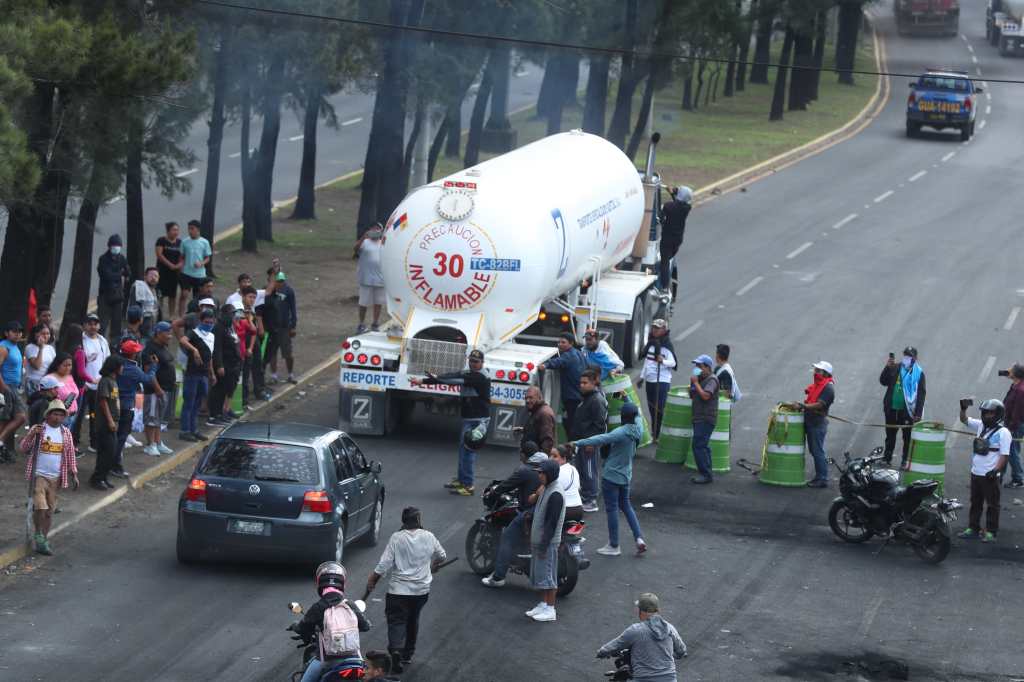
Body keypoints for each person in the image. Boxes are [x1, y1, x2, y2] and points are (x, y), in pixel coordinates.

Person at [365, 507, 447, 673]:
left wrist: (373, 579)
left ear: (403, 521)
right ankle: (407, 654)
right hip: (421, 591)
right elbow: (442, 555)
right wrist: (434, 565)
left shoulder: (397, 538)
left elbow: (384, 563)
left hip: (398, 592)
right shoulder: (429, 536)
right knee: (413, 619)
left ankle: (396, 650)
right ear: (418, 520)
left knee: (396, 621)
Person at [571, 401, 647, 557]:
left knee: (612, 509)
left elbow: (600, 439)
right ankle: (639, 538)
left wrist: (577, 443)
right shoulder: (638, 428)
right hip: (626, 476)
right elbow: (638, 415)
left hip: (611, 476)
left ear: (622, 416)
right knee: (626, 506)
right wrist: (627, 399)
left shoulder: (620, 432)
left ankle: (614, 545)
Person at [412, 349, 491, 496]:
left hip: (477, 420)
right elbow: (455, 375)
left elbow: (455, 380)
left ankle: (468, 486)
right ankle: (462, 480)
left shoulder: (480, 377)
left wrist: (434, 379)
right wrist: (425, 380)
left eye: (476, 361)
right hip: (470, 418)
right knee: (463, 450)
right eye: (471, 360)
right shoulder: (470, 373)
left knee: (468, 451)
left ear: (482, 362)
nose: (473, 364)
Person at [481, 442, 546, 589]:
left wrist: (494, 492)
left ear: (524, 454)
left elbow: (506, 485)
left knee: (507, 537)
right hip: (557, 509)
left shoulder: (525, 470)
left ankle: (498, 577)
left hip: (533, 511)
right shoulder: (549, 466)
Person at [295, 562, 372, 682]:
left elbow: (303, 628)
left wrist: (297, 627)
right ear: (342, 584)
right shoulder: (350, 605)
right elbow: (365, 626)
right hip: (354, 660)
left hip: (327, 661)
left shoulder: (318, 607)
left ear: (320, 583)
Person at [21, 400, 78, 556]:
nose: (57, 417)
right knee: (41, 506)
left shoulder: (65, 432)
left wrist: (74, 473)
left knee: (49, 511)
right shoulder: (39, 429)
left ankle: (43, 539)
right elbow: (24, 448)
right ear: (48, 415)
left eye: (61, 415)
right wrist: (32, 435)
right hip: (38, 475)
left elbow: (70, 454)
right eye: (55, 414)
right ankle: (38, 533)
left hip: (56, 478)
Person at [597, 592, 688, 682]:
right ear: (658, 610)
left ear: (640, 610)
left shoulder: (636, 630)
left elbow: (615, 645)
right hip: (669, 679)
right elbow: (681, 651)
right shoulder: (670, 628)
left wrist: (601, 652)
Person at [957, 399, 1010, 543]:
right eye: (985, 413)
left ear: (998, 414)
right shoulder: (981, 426)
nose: (987, 416)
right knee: (975, 502)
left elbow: (1004, 455)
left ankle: (991, 532)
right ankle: (973, 528)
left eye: (991, 413)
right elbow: (964, 420)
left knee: (992, 505)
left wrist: (995, 470)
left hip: (990, 475)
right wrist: (963, 409)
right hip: (976, 473)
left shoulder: (1004, 433)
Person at [113, 339, 161, 478]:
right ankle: (116, 466)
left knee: (117, 436)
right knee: (122, 436)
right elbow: (147, 379)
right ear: (133, 355)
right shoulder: (133, 369)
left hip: (116, 404)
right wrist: (153, 367)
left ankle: (114, 463)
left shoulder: (118, 364)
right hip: (127, 405)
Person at [525, 459, 565, 623]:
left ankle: (550, 609)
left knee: (549, 576)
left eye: (542, 473)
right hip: (540, 542)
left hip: (547, 543)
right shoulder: (546, 488)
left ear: (550, 475)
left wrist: (543, 546)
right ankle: (543, 604)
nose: (539, 475)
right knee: (541, 574)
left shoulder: (555, 494)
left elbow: (551, 524)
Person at [879, 347, 927, 468]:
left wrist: (918, 414)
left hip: (908, 412)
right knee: (890, 436)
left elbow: (921, 394)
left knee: (907, 438)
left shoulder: (919, 374)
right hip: (892, 410)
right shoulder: (895, 367)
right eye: (905, 355)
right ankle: (887, 458)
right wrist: (887, 367)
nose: (906, 358)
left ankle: (905, 460)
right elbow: (883, 381)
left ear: (915, 358)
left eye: (909, 356)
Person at [538, 332, 592, 429]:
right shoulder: (579, 353)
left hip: (572, 397)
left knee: (571, 423)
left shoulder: (568, 355)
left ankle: (572, 442)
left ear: (571, 343)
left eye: (563, 342)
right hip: (581, 395)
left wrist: (545, 365)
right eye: (559, 342)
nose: (560, 344)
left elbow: (558, 362)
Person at [571, 368, 607, 512]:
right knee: (581, 469)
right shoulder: (587, 398)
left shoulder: (596, 400)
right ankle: (584, 496)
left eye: (585, 383)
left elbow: (600, 424)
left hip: (589, 443)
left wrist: (592, 442)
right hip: (582, 442)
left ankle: (591, 500)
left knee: (590, 471)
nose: (582, 385)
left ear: (593, 383)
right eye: (580, 383)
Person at [178, 308, 216, 442]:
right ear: (201, 320)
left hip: (204, 374)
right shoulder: (194, 333)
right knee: (189, 402)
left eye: (211, 322)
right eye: (206, 321)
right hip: (192, 373)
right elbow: (183, 340)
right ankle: (185, 430)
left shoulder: (211, 336)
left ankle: (194, 429)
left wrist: (212, 373)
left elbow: (209, 355)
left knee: (198, 403)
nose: (209, 324)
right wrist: (194, 350)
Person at [141, 322, 175, 456]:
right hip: (154, 391)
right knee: (151, 418)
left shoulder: (163, 347)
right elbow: (149, 371)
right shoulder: (150, 350)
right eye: (167, 333)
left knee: (158, 419)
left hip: (164, 389)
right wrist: (158, 388)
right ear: (158, 333)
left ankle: (158, 442)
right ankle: (150, 444)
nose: (169, 336)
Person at [640, 319, 676, 441]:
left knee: (659, 408)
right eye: (654, 327)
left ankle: (660, 434)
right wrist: (642, 377)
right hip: (650, 380)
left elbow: (673, 362)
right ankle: (655, 433)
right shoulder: (651, 344)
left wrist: (663, 361)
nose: (655, 330)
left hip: (661, 381)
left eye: (658, 328)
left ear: (664, 330)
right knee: (651, 408)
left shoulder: (666, 346)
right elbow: (647, 362)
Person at [801, 361, 836, 488]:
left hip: (817, 423)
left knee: (817, 451)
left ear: (826, 373)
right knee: (815, 450)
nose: (815, 373)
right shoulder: (818, 385)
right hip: (812, 421)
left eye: (818, 371)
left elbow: (820, 404)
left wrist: (803, 406)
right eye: (815, 370)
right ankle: (820, 477)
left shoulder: (828, 388)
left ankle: (822, 479)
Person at [91, 356, 122, 490]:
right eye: (121, 366)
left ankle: (103, 477)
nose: (123, 368)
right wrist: (110, 421)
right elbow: (103, 402)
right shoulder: (105, 382)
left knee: (110, 452)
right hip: (105, 424)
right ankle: (97, 478)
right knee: (107, 451)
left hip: (114, 422)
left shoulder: (113, 381)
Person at [80, 314, 110, 451]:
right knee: (79, 414)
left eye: (95, 323)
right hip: (84, 385)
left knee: (94, 415)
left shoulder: (102, 340)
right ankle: (74, 441)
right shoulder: (81, 340)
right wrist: (84, 382)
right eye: (90, 323)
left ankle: (94, 442)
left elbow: (107, 360)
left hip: (98, 385)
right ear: (85, 325)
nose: (93, 326)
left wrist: (103, 379)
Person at [209, 303, 242, 425]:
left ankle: (223, 412)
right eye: (231, 314)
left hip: (233, 364)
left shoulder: (230, 327)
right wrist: (219, 365)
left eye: (234, 314)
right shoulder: (218, 328)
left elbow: (235, 342)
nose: (233, 316)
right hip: (224, 364)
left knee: (228, 389)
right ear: (224, 314)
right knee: (219, 390)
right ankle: (214, 415)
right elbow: (217, 349)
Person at [689, 354, 719, 485]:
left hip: (705, 418)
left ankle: (705, 474)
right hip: (699, 417)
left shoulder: (712, 380)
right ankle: (707, 473)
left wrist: (696, 383)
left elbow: (706, 396)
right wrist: (693, 383)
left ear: (707, 367)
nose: (697, 368)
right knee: (703, 446)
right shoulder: (700, 379)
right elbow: (692, 395)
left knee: (699, 445)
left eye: (700, 366)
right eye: (696, 366)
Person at [264, 270, 298, 384]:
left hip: (284, 327)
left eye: (282, 281)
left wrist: (293, 326)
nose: (280, 283)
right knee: (272, 353)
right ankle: (274, 375)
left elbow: (293, 309)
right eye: (278, 281)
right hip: (271, 327)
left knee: (288, 352)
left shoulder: (289, 291)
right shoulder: (266, 291)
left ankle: (290, 374)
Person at [0, 321, 27, 462]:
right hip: (7, 387)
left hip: (14, 388)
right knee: (19, 417)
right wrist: (4, 388)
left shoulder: (15, 347)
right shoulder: (4, 347)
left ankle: (1, 444)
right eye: (14, 331)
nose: (18, 334)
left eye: (20, 331)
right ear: (7, 333)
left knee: (8, 419)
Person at [657, 186, 692, 292]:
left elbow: (660, 217)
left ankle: (664, 286)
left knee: (664, 262)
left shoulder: (667, 206)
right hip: (677, 240)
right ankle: (666, 282)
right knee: (667, 260)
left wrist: (672, 193)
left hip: (667, 239)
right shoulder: (687, 208)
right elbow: (677, 203)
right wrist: (673, 193)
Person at [96, 234, 131, 341]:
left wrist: (123, 273)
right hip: (105, 295)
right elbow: (107, 276)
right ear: (109, 246)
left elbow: (128, 272)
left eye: (118, 245)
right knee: (102, 324)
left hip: (118, 296)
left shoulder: (121, 258)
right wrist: (120, 274)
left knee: (117, 325)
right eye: (114, 245)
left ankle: (114, 347)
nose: (116, 248)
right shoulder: (103, 259)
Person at [354, 223, 386, 333]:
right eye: (373, 228)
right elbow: (355, 248)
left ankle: (375, 323)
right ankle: (361, 324)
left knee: (378, 302)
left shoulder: (384, 243)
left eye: (378, 229)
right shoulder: (365, 242)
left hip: (380, 278)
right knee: (363, 302)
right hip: (365, 278)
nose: (375, 230)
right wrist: (363, 236)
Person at [155, 221, 185, 318]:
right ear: (168, 231)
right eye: (173, 230)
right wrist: (170, 265)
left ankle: (171, 316)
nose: (176, 232)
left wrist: (178, 265)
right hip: (162, 272)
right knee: (161, 294)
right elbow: (159, 255)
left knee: (173, 295)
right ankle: (160, 315)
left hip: (174, 273)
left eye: (177, 230)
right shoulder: (161, 241)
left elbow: (182, 257)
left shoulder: (180, 243)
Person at [44, 353, 80, 434]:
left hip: (72, 415)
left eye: (70, 365)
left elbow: (75, 394)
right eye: (65, 365)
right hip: (59, 418)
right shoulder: (49, 379)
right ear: (57, 365)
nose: (68, 368)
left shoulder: (69, 376)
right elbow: (46, 399)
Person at [1001, 363, 1024, 489]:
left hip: (1015, 424)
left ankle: (1018, 479)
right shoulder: (1016, 385)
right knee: (1009, 449)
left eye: (1011, 370)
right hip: (1011, 422)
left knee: (1011, 451)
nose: (1008, 370)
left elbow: (1017, 411)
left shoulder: (1020, 390)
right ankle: (1000, 475)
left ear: (1016, 374)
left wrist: (1010, 427)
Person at [234, 296, 258, 410]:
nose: (240, 314)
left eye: (241, 311)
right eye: (238, 312)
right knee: (234, 380)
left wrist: (249, 319)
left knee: (245, 378)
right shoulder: (230, 325)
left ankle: (243, 402)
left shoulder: (243, 322)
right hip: (233, 356)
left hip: (243, 354)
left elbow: (253, 331)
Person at [550, 444, 584, 522]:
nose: (550, 458)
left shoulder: (556, 472)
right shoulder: (573, 469)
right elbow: (578, 488)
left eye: (554, 456)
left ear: (564, 458)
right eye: (550, 455)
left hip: (563, 511)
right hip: (578, 509)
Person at [180, 219, 212, 299]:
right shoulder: (184, 242)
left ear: (198, 229)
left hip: (200, 274)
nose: (190, 231)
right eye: (189, 229)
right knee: (184, 295)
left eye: (192, 228)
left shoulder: (205, 242)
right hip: (186, 273)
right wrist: (180, 268)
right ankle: (181, 312)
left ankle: (195, 310)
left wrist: (201, 263)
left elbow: (207, 258)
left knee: (197, 296)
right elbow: (181, 257)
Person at [519, 386, 556, 455]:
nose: (527, 400)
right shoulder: (536, 411)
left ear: (539, 398)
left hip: (537, 459)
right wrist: (524, 430)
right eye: (526, 398)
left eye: (530, 398)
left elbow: (547, 440)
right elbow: (537, 430)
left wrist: (539, 460)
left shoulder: (544, 413)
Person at [128, 266, 161, 339]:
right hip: (141, 328)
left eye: (156, 276)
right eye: (151, 275)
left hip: (152, 327)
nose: (153, 278)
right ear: (145, 276)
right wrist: (135, 330)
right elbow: (134, 307)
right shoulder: (139, 287)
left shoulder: (156, 291)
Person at [24, 323, 55, 396]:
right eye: (43, 333)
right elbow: (37, 366)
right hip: (34, 383)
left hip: (47, 382)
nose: (46, 336)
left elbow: (54, 365)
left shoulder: (50, 348)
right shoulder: (30, 347)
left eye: (48, 333)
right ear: (36, 334)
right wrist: (41, 348)